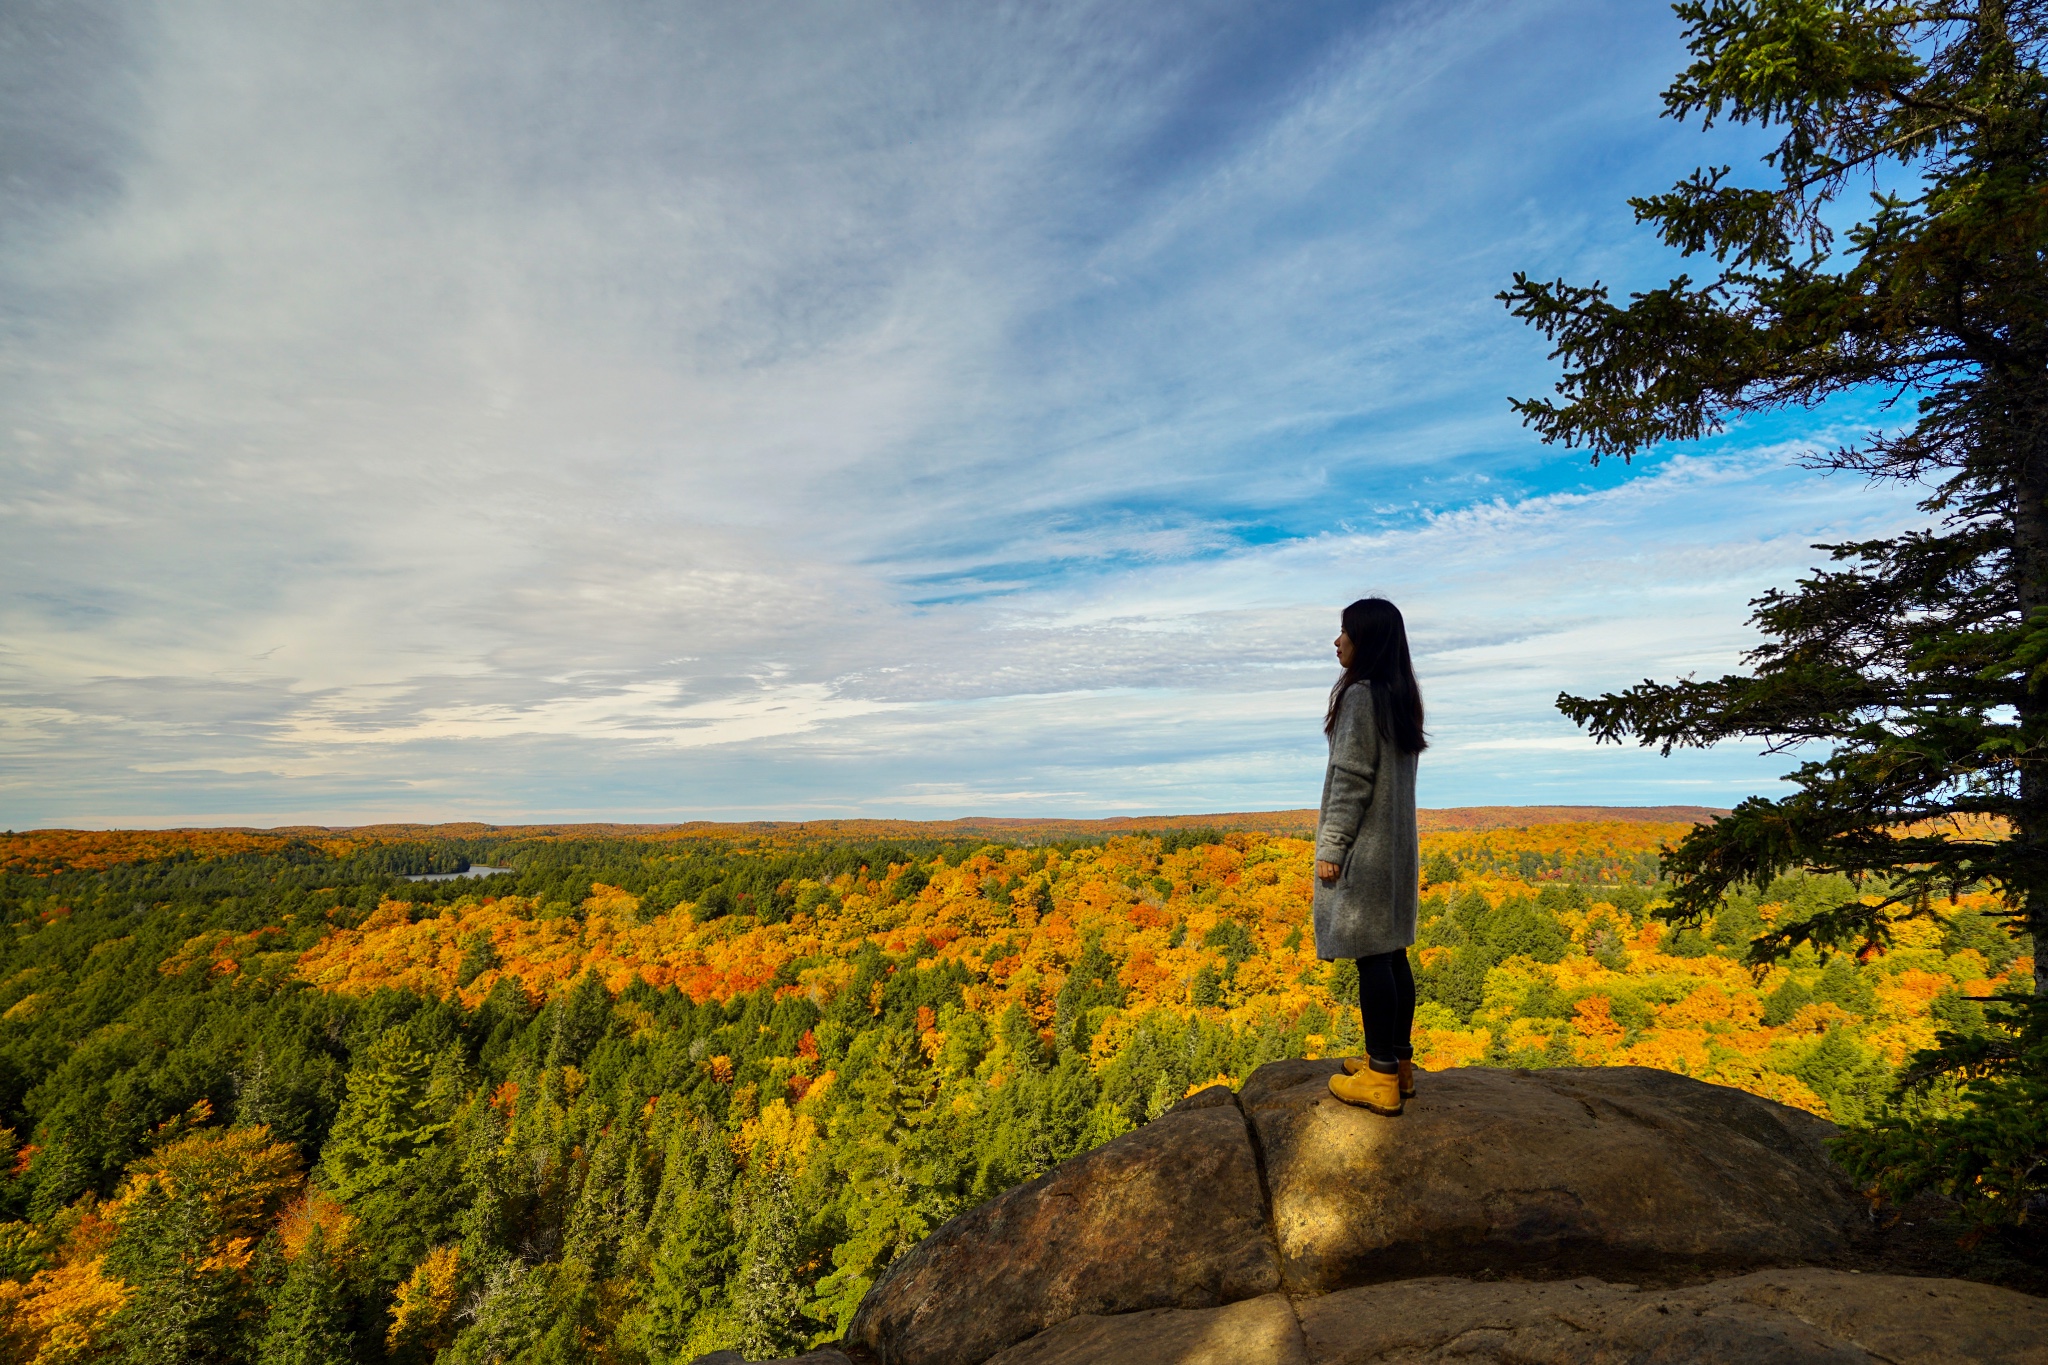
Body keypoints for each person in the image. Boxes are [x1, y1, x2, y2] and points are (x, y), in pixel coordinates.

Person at [1314, 597, 1425, 1116]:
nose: (1338, 642)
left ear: (1368, 642)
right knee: (1393, 953)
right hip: (1396, 852)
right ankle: (1398, 1066)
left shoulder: (1360, 697)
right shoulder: (1398, 698)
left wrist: (1331, 847)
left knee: (1374, 958)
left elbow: (1351, 780)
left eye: (1345, 633)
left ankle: (1380, 1076)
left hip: (1367, 851)